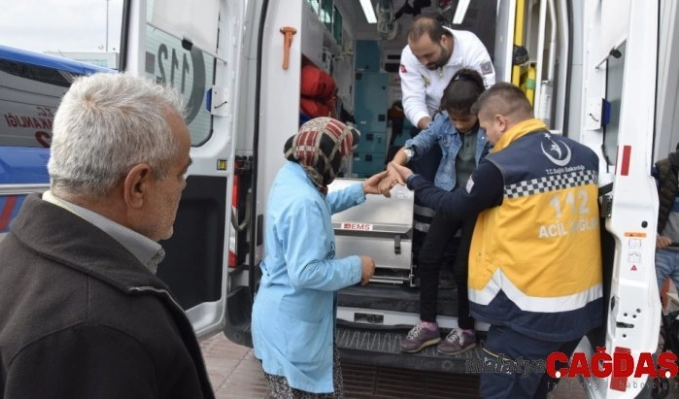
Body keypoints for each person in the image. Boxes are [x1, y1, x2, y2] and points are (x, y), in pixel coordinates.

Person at [0, 73, 215, 398]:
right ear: (138, 185)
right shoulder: (98, 330)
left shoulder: (11, 256)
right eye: (181, 172)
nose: (184, 185)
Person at [390, 82, 603, 398]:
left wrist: (413, 179)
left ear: (501, 121)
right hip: (579, 315)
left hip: (527, 318)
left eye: (487, 128)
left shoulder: (502, 166)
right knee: (536, 387)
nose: (486, 136)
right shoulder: (586, 157)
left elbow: (455, 205)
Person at [252, 117, 386, 398]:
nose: (344, 163)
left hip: (283, 319)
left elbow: (318, 207)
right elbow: (307, 272)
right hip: (291, 334)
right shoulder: (303, 200)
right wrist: (356, 266)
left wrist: (360, 190)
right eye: (342, 157)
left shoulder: (292, 174)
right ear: (327, 160)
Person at [384, 69, 491, 355]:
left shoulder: (492, 127)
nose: (457, 125)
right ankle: (428, 325)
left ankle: (466, 329)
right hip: (450, 197)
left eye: (464, 119)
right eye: (453, 119)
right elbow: (419, 143)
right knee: (429, 258)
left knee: (462, 267)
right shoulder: (444, 122)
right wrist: (396, 166)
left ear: (479, 110)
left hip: (479, 205)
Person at [399, 15, 495, 132]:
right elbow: (412, 99)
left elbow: (488, 90)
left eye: (428, 55)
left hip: (471, 121)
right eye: (418, 57)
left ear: (443, 40)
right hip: (433, 123)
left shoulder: (470, 46)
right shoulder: (408, 55)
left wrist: (471, 123)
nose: (424, 62)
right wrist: (432, 129)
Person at [653, 143, 679, 290]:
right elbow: (643, 209)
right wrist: (654, 237)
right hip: (661, 253)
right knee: (649, 300)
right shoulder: (661, 170)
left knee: (673, 306)